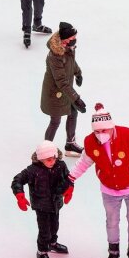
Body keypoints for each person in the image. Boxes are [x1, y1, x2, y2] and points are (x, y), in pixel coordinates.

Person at [68, 103, 129, 258]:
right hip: (109, 190)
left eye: (105, 131)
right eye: (97, 132)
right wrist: (71, 178)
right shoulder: (90, 142)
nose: (101, 135)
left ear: (112, 126)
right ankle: (113, 253)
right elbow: (85, 162)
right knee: (111, 222)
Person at [12, 141, 74, 258]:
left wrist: (69, 188)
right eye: (48, 159)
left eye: (53, 158)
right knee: (44, 231)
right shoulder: (32, 170)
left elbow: (68, 178)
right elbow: (17, 180)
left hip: (56, 203)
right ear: (40, 159)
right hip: (41, 205)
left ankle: (52, 243)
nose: (52, 161)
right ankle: (42, 252)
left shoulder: (60, 166)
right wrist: (19, 195)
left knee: (55, 226)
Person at [40, 21, 86, 156]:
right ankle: (45, 150)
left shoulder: (68, 48)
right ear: (65, 39)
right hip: (55, 93)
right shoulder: (55, 55)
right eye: (72, 38)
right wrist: (76, 98)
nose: (75, 40)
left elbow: (71, 62)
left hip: (65, 90)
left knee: (73, 112)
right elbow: (61, 81)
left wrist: (78, 73)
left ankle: (70, 144)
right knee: (55, 121)